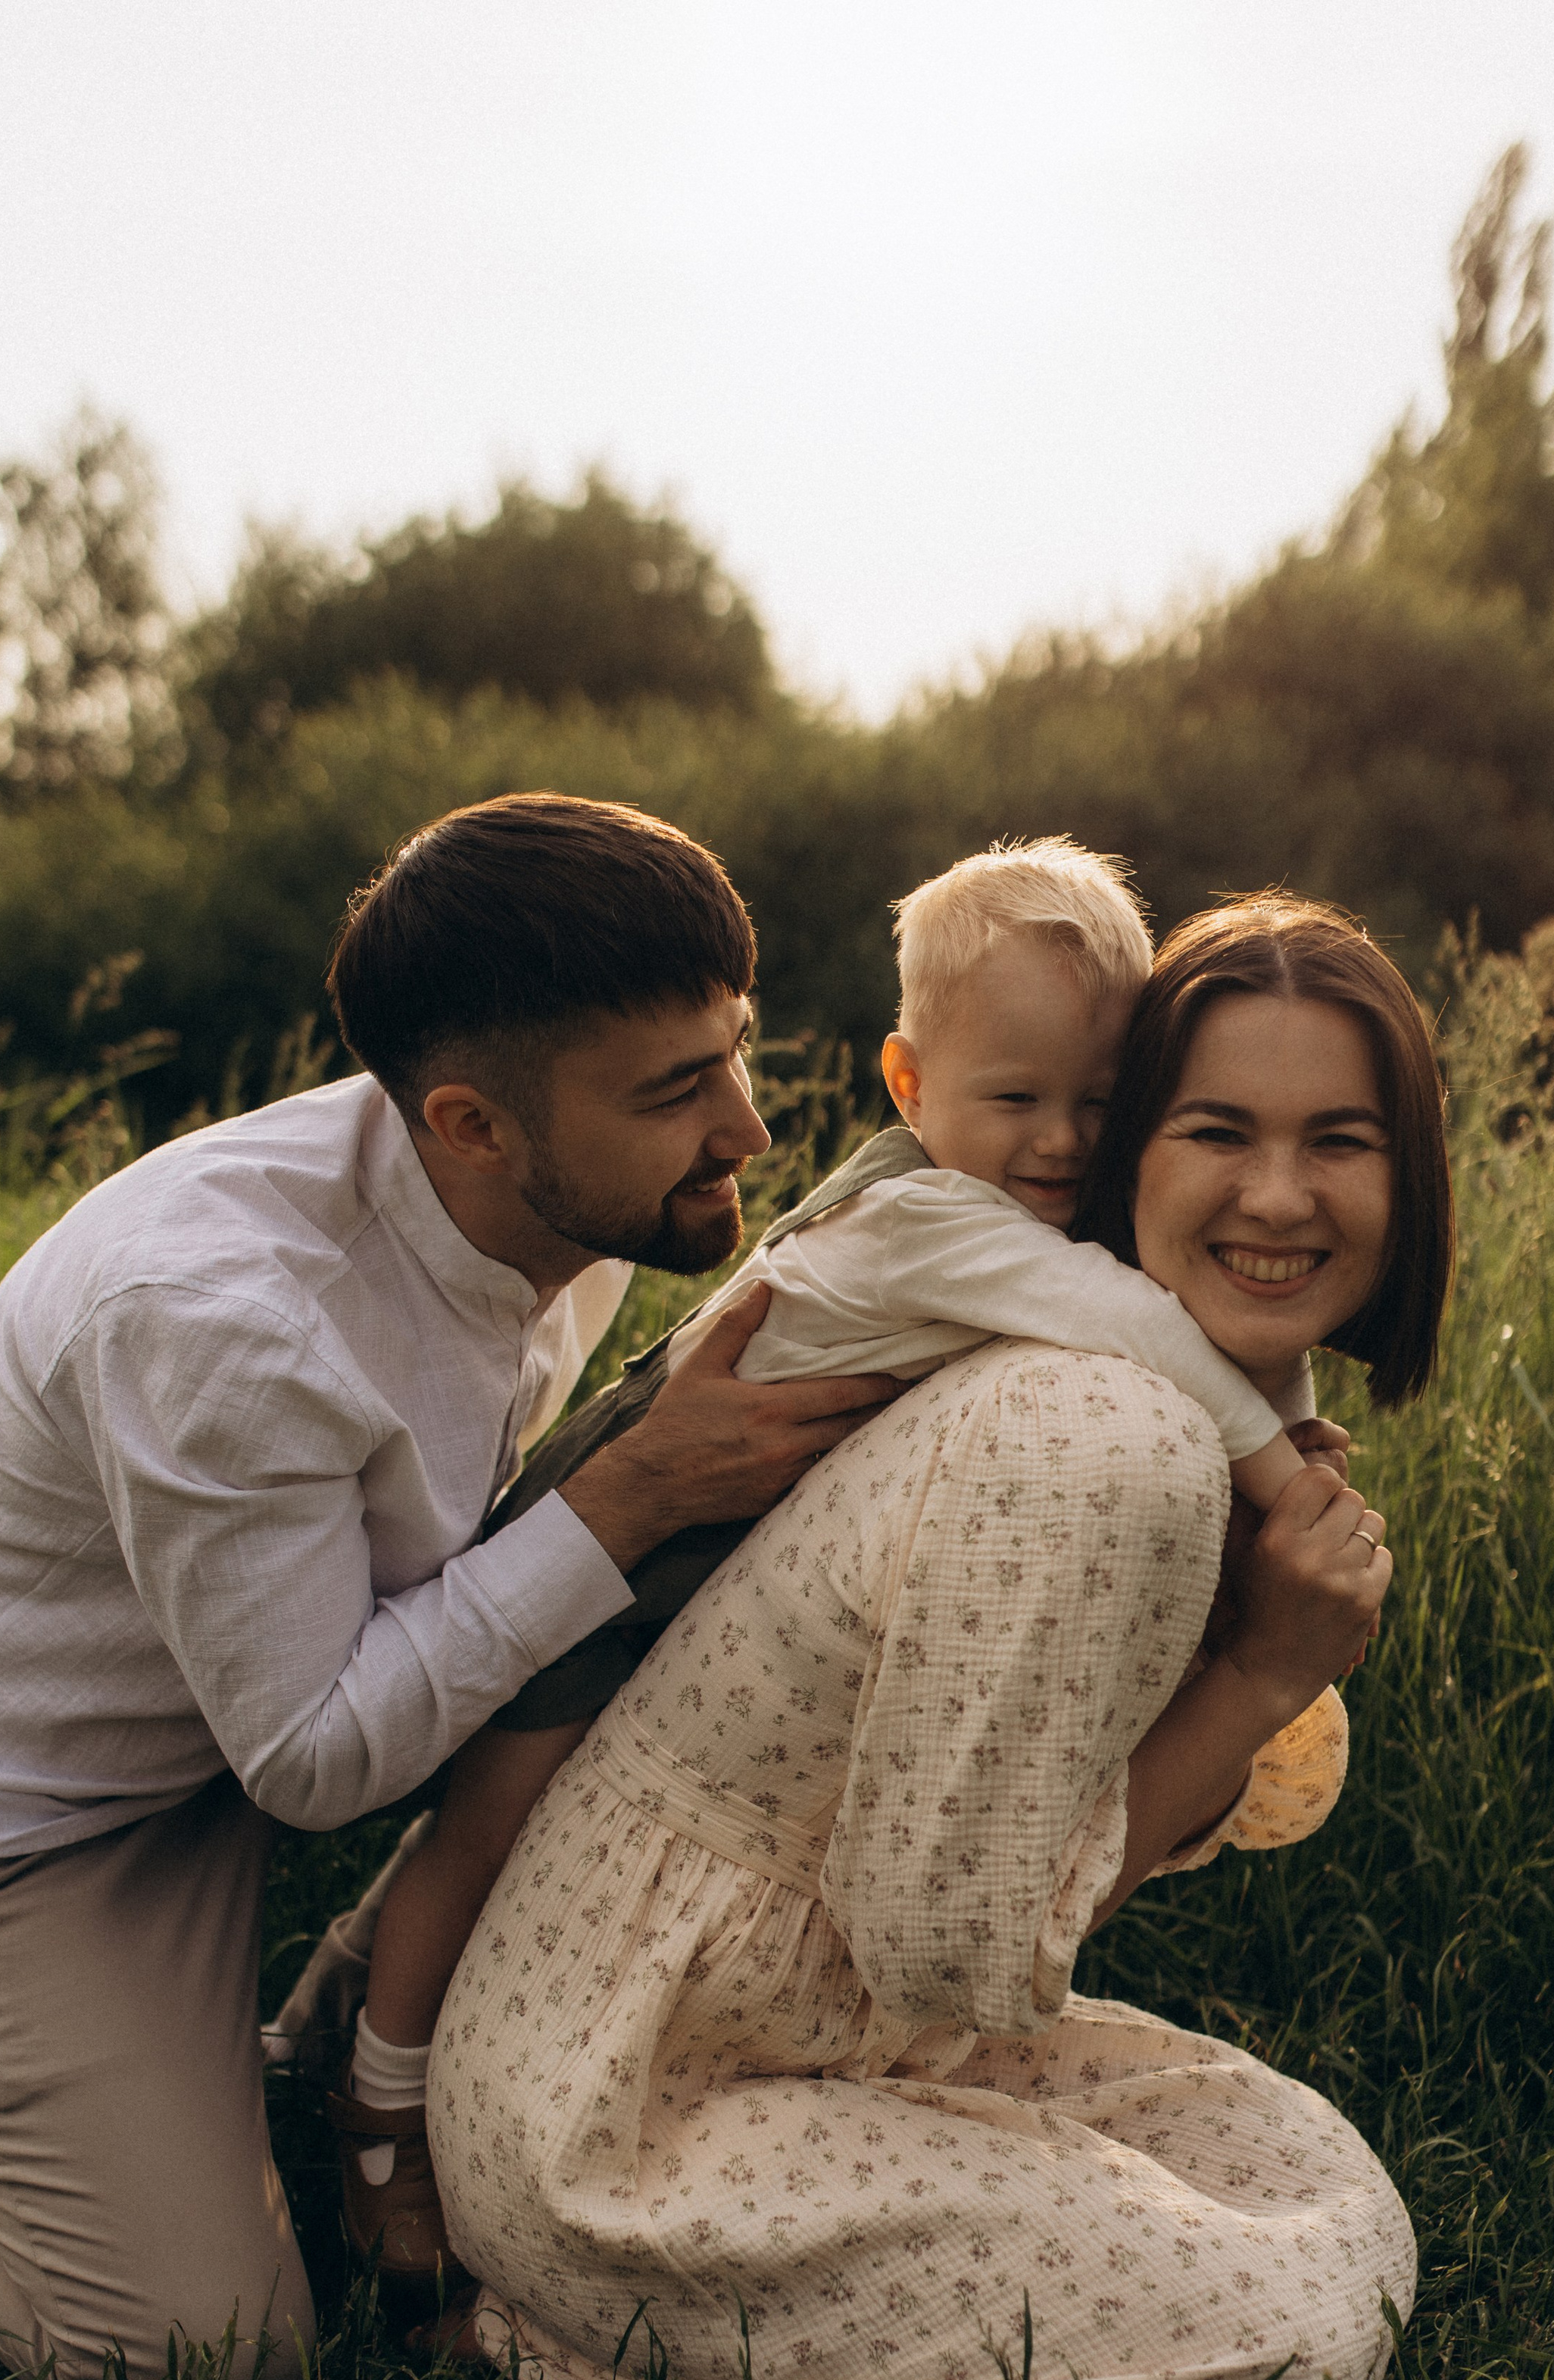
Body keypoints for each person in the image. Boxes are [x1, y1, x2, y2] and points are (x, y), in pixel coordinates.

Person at [0, 792, 900, 2380]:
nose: (743, 1129)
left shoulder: (580, 1200)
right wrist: (630, 1497)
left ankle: (324, 2059)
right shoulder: (224, 1320)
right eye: (678, 1091)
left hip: (203, 1725)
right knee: (199, 2368)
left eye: (736, 1051)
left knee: (655, 1607)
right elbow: (314, 1764)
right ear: (468, 1123)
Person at [425, 895, 1453, 2380]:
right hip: (634, 2110)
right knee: (1281, 2343)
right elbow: (947, 1967)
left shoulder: (1117, 1370)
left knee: (1327, 2196)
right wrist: (1262, 1669)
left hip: (826, 2044)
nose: (1276, 1193)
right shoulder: (1100, 1434)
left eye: (1339, 1137)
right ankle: (554, 2321)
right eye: (1214, 1130)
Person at [332, 839, 1343, 2285]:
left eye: (1100, 1103)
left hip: (731, 1549)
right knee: (485, 1825)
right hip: (625, 1553)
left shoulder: (1009, 1204)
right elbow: (1142, 1325)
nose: (1061, 1141)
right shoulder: (931, 1221)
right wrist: (1275, 1465)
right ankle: (374, 2102)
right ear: (910, 1084)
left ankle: (350, 2033)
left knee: (518, 1823)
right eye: (1015, 1101)